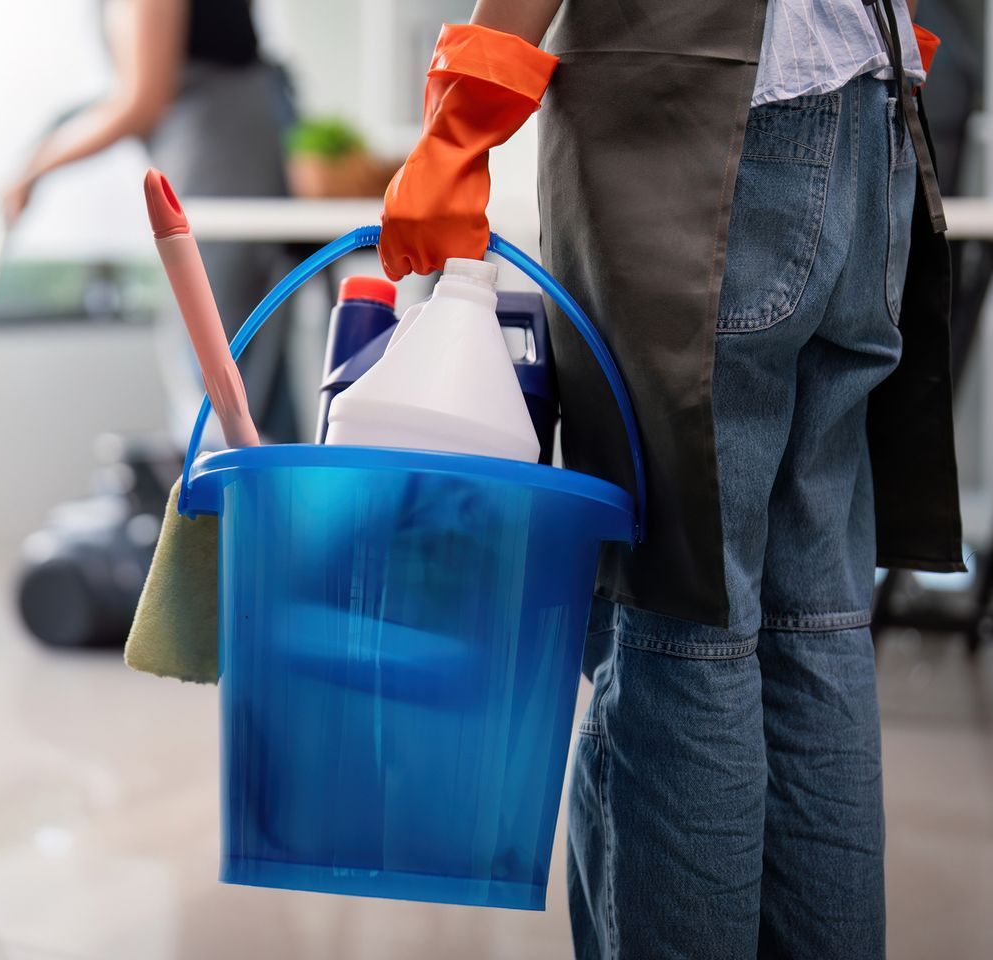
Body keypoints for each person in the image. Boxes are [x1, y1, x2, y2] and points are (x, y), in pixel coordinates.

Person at [381, 1, 960, 956]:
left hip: (699, 132)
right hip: (873, 122)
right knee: (815, 621)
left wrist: (459, 123)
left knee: (682, 618)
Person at [4, 0, 299, 441]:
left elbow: (142, 99)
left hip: (221, 160)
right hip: (221, 154)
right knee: (227, 357)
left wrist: (34, 168)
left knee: (221, 365)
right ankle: (238, 493)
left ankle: (234, 498)